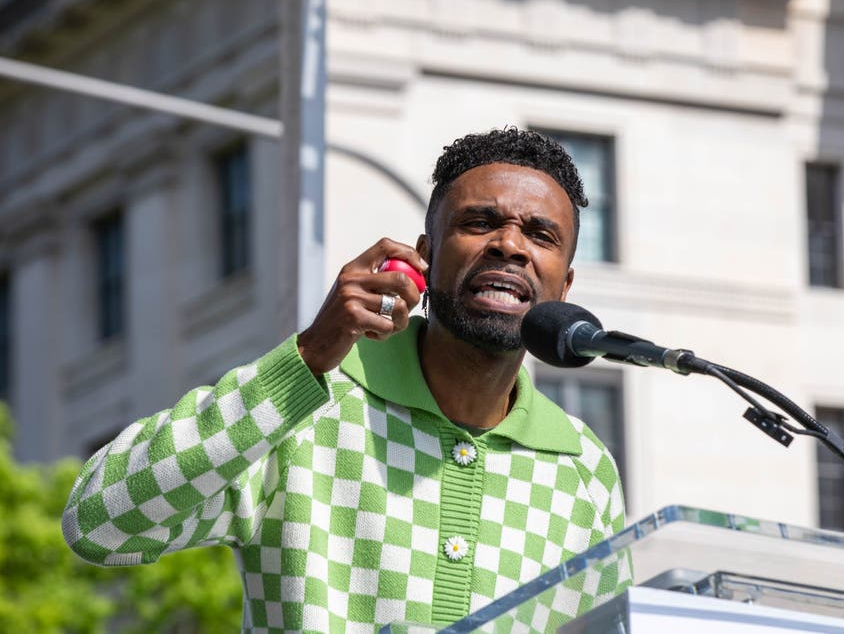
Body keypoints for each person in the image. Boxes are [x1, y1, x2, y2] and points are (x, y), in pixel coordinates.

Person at [62, 128, 627, 632]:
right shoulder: (306, 405)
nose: (509, 245)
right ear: (424, 257)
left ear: (565, 284)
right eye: (478, 223)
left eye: (540, 234)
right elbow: (100, 521)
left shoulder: (584, 468)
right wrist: (306, 358)